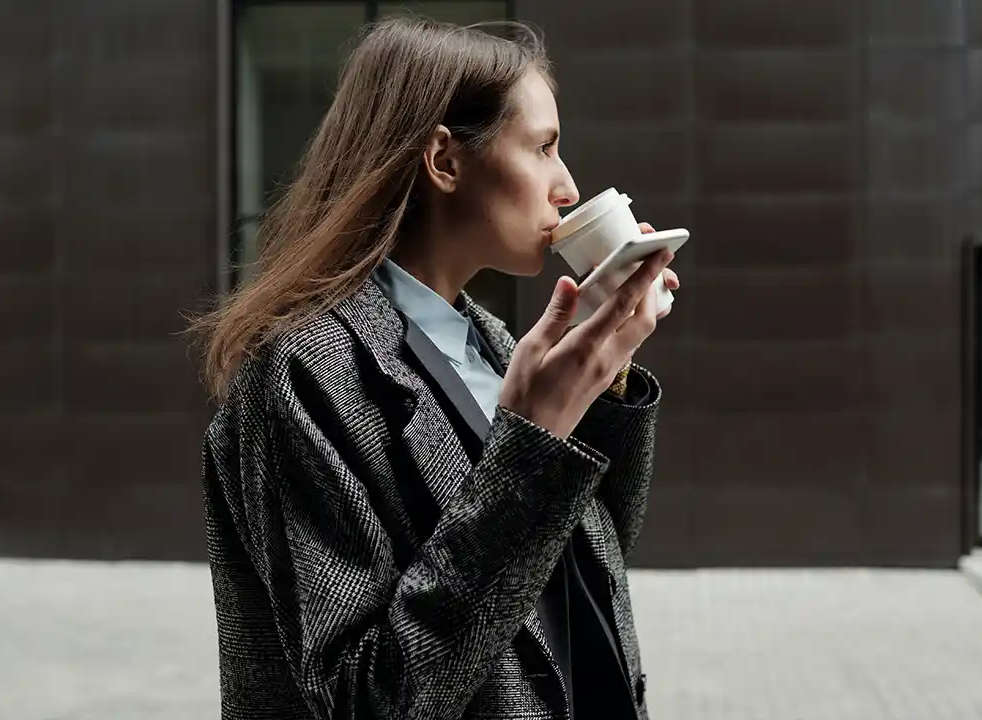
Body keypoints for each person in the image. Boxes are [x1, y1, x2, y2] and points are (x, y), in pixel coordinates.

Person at [194, 15, 680, 720]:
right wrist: (534, 441)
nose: (568, 187)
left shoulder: (488, 339)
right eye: (543, 149)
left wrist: (609, 367)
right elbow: (368, 700)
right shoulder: (302, 372)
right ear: (445, 160)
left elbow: (581, 555)